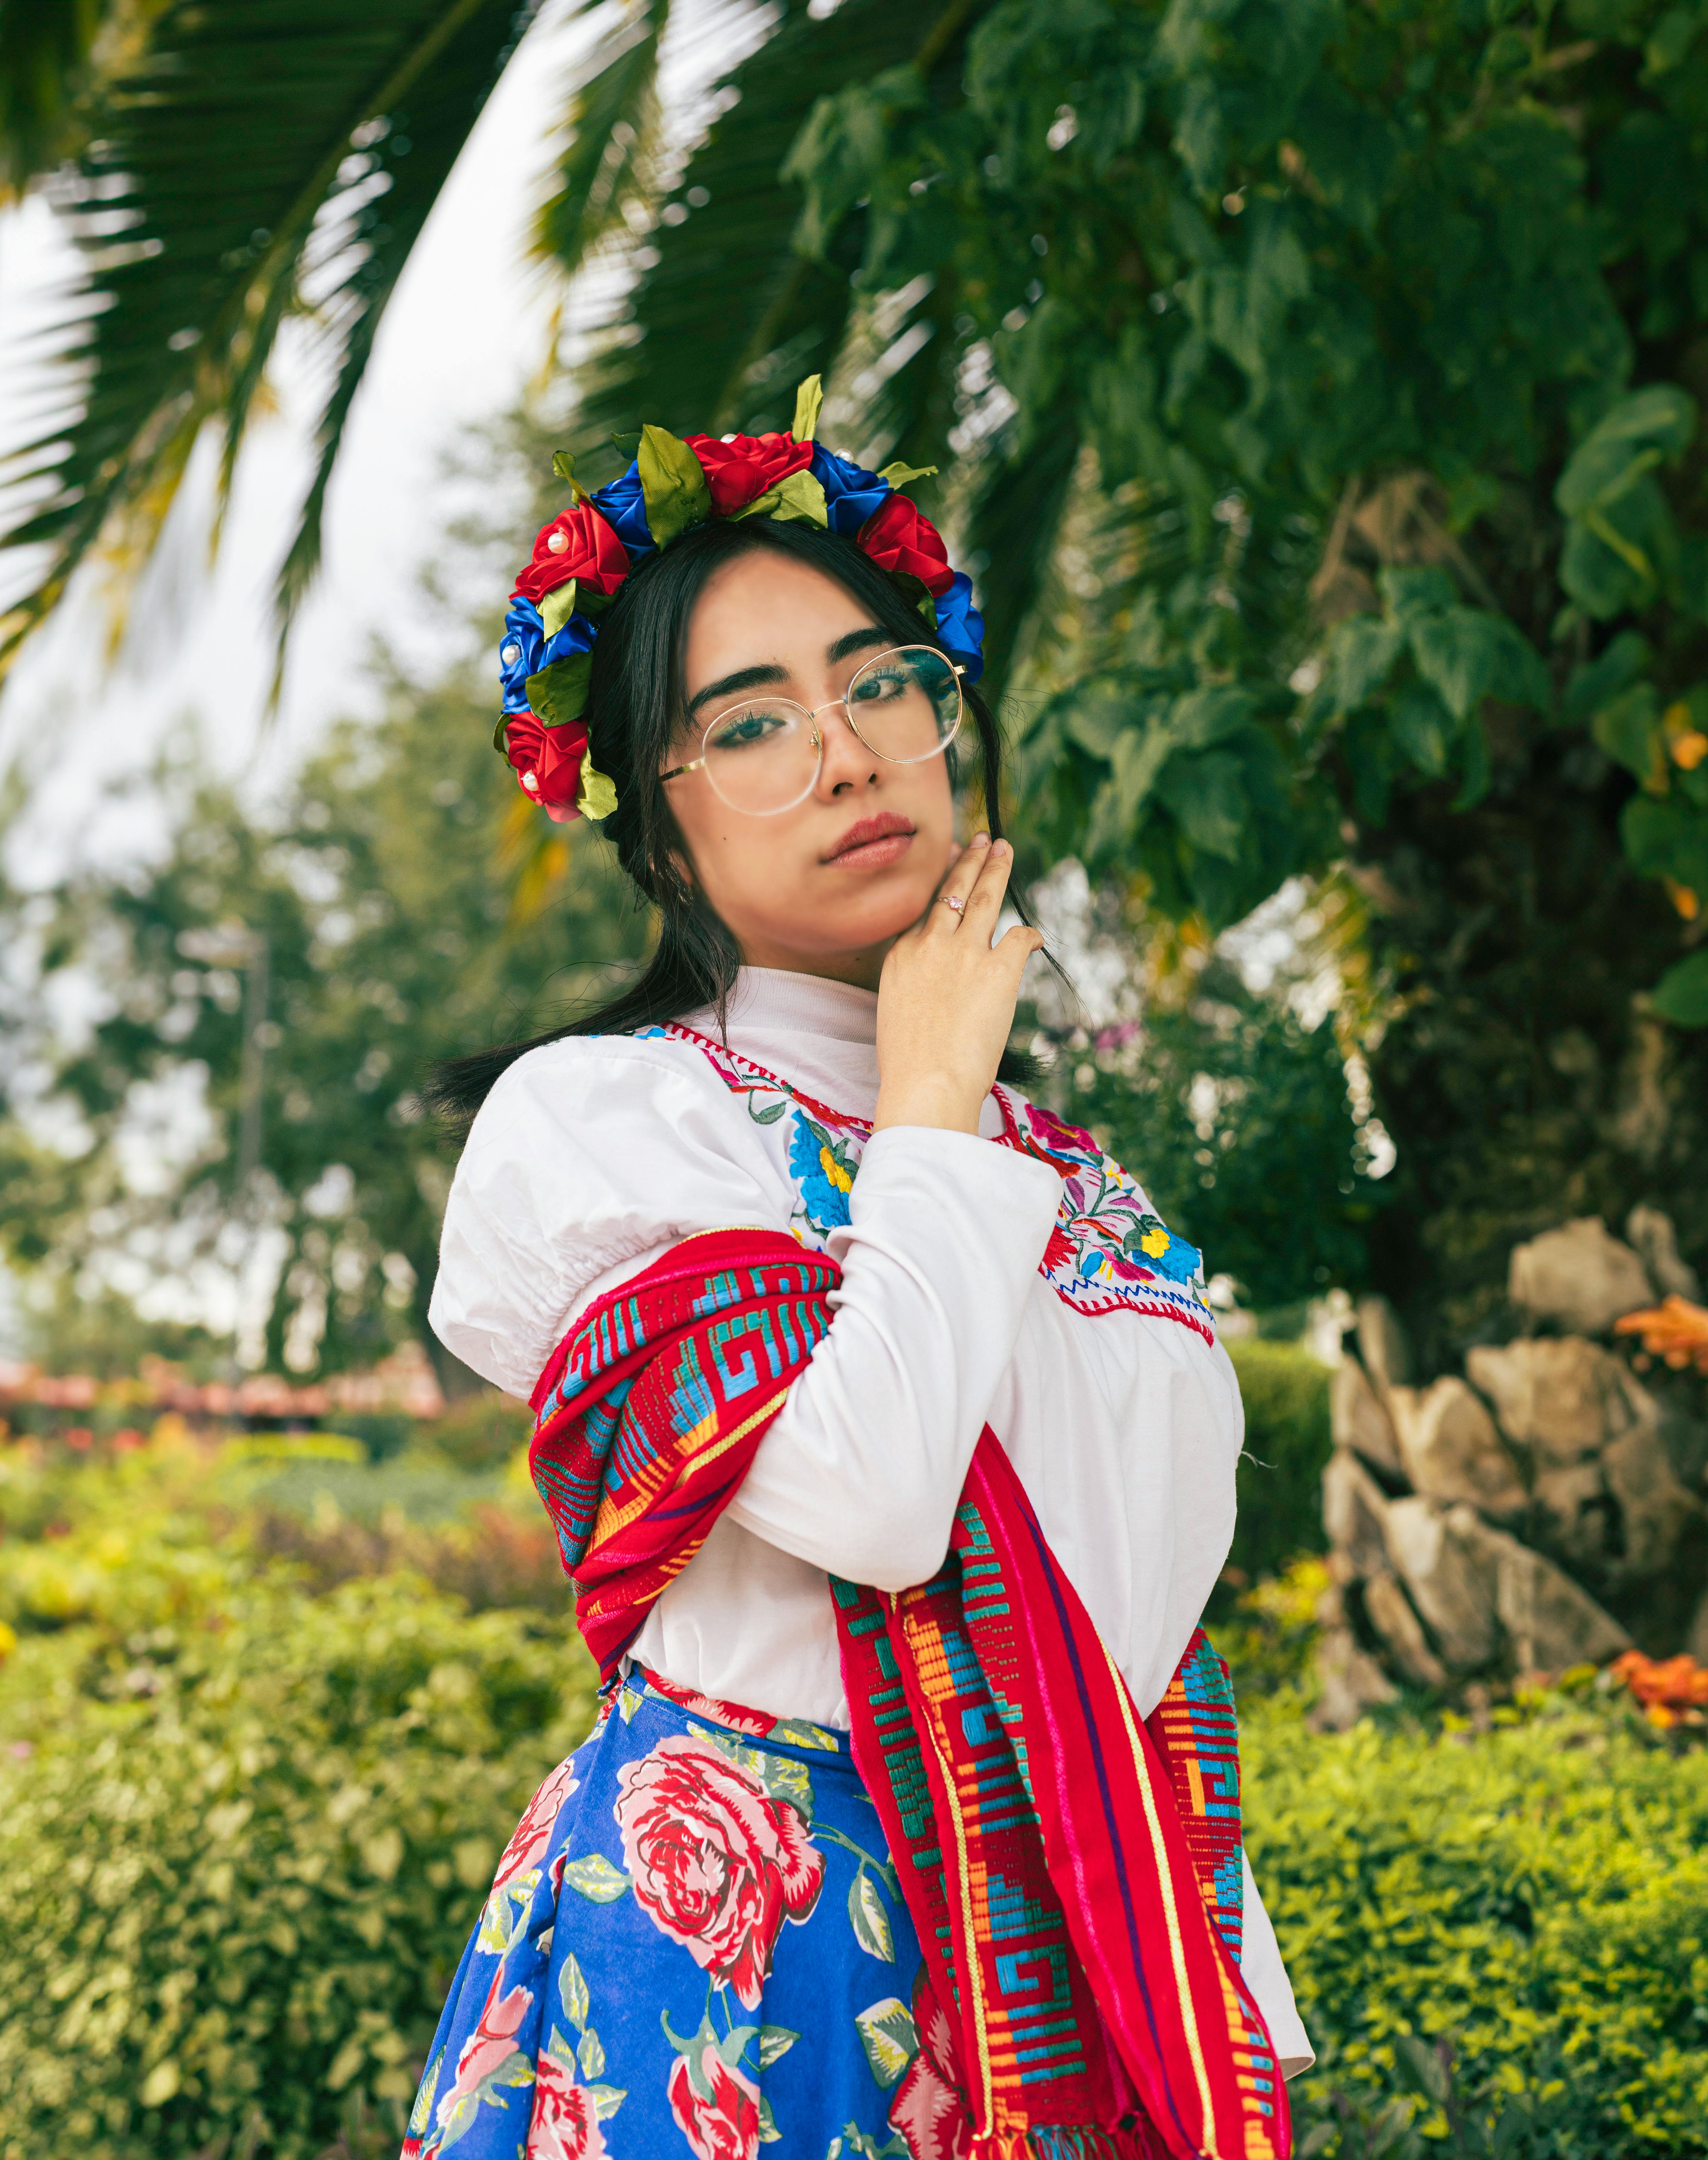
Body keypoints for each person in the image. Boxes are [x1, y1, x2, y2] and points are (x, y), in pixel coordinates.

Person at [404, 382, 1311, 2160]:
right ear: (653, 829)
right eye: (748, 724)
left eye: (880, 684)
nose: (844, 753)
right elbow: (878, 1504)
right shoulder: (618, 1121)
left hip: (1090, 1960)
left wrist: (1229, 2017)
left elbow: (1142, 1638)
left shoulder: (1067, 1173)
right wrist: (929, 1108)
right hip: (756, 1968)